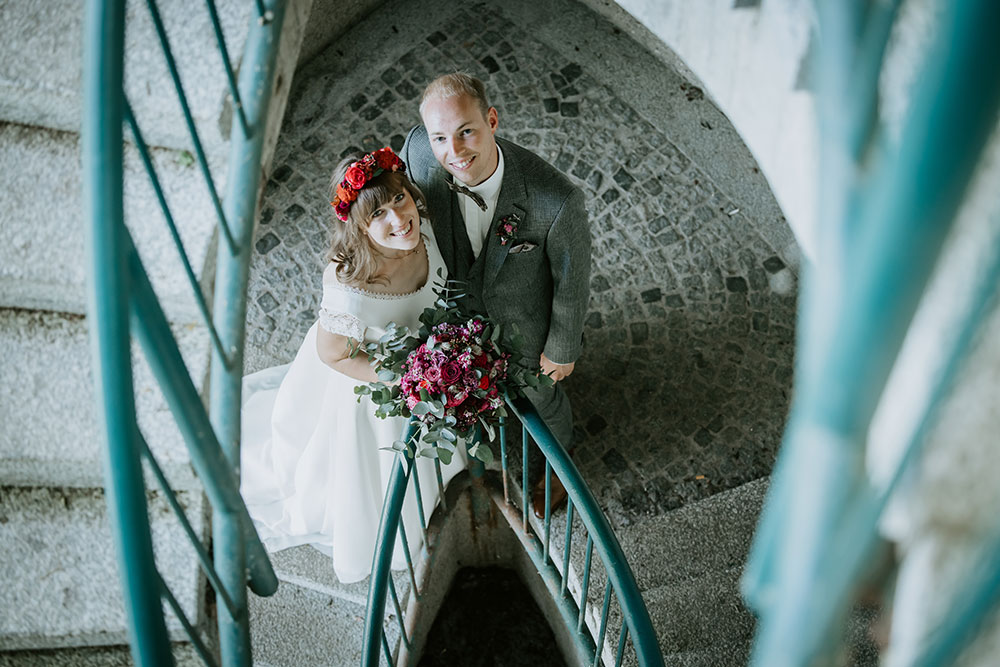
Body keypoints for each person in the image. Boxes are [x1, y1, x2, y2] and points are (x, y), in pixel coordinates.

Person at [239, 147, 467, 584]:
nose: (398, 219)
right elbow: (334, 354)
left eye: (399, 200)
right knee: (377, 474)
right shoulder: (352, 287)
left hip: (429, 365)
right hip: (376, 387)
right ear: (360, 225)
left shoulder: (426, 232)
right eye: (378, 213)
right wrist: (401, 379)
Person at [401, 73, 591, 517]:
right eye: (441, 137)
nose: (455, 151)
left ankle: (559, 474)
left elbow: (572, 278)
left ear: (491, 119)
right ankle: (489, 453)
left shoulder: (556, 200)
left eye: (467, 131)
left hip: (526, 331)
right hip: (456, 325)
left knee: (543, 401)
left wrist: (562, 348)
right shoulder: (419, 155)